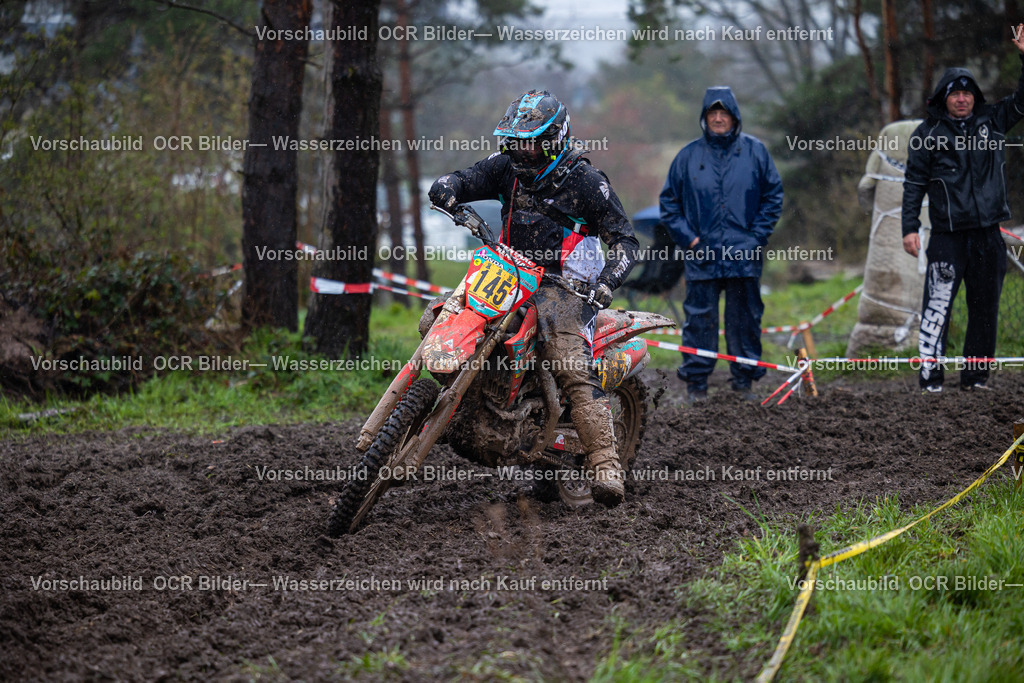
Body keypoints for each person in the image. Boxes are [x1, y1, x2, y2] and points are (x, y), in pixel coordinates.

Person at [428, 90, 639, 506]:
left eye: (531, 143)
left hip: (564, 287)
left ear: (555, 138)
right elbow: (467, 178)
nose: (522, 154)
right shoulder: (505, 167)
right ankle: (463, 401)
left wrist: (607, 282)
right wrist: (446, 187)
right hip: (508, 272)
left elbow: (626, 240)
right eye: (515, 143)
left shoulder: (586, 183)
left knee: (569, 363)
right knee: (436, 318)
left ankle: (604, 461)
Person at [902, 25, 1024, 393]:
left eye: (968, 93)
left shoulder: (994, 121)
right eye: (955, 93)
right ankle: (930, 379)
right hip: (947, 238)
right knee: (938, 307)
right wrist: (909, 227)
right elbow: (913, 184)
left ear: (975, 98)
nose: (962, 99)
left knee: (985, 309)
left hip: (988, 235)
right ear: (944, 97)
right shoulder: (926, 133)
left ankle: (975, 378)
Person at [659, 87, 784, 403]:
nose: (717, 118)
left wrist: (756, 238)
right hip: (702, 255)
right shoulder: (688, 157)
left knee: (745, 320)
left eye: (723, 113)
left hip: (745, 255)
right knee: (699, 321)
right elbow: (669, 204)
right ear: (704, 118)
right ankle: (696, 386)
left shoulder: (756, 153)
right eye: (712, 113)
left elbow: (773, 197)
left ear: (734, 117)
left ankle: (744, 384)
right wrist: (690, 240)